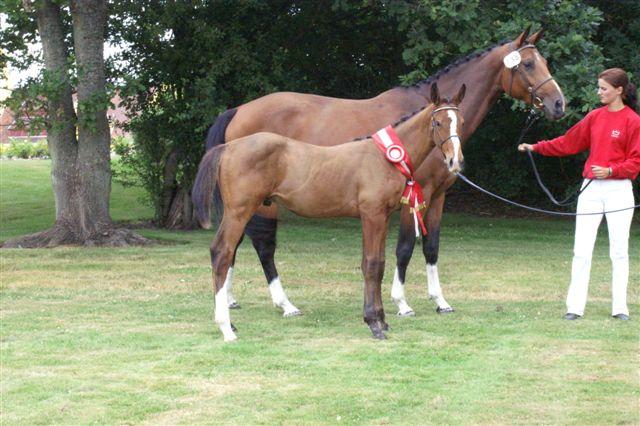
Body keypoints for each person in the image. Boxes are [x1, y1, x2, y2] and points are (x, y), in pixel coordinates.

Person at [518, 68, 640, 321]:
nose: (599, 92)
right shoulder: (595, 117)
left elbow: (635, 162)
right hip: (591, 189)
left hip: (619, 190)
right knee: (581, 249)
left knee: (619, 251)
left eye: (603, 88)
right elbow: (568, 142)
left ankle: (620, 308)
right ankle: (574, 307)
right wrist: (536, 147)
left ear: (619, 90)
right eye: (598, 88)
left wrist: (611, 170)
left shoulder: (633, 121)